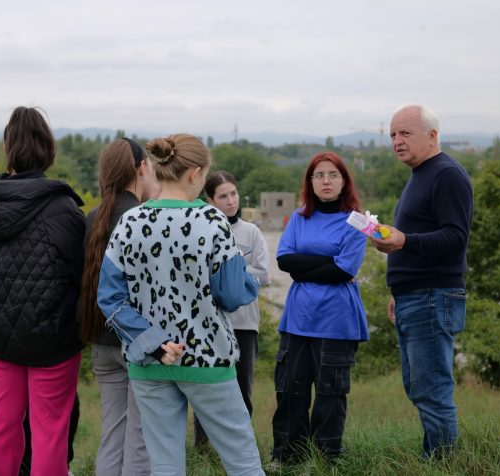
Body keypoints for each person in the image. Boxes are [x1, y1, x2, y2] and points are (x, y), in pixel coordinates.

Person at [98, 133, 265, 475]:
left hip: (150, 362)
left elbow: (111, 299)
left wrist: (152, 342)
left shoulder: (130, 222)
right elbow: (234, 295)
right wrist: (246, 278)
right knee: (242, 461)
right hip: (208, 358)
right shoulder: (213, 221)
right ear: (195, 174)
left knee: (165, 465)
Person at [0, 106, 85, 476]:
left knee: (1, 422)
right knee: (50, 429)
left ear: (7, 148)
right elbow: (82, 274)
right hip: (52, 337)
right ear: (48, 148)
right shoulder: (62, 209)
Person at [370, 104, 472, 459]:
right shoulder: (421, 174)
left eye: (405, 133)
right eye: (393, 134)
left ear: (432, 136)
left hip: (433, 296)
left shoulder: (446, 174)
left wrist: (404, 242)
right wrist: (399, 289)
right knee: (419, 387)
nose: (396, 141)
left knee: (432, 389)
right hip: (415, 295)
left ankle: (443, 464)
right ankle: (435, 457)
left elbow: (456, 238)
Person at [271, 152, 368, 465]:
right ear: (310, 182)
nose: (326, 181)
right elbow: (285, 260)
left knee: (330, 396)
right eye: (319, 175)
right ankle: (288, 458)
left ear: (344, 181)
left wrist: (307, 266)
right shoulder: (300, 217)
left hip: (337, 321)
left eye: (333, 175)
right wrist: (329, 262)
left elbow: (344, 270)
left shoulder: (357, 222)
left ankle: (326, 461)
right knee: (290, 394)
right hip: (298, 319)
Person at [79, 138, 159, 475]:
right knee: (140, 437)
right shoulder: (142, 218)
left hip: (101, 339)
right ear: (141, 168)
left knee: (113, 433)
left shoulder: (94, 216)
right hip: (136, 340)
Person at [195, 170, 270, 446]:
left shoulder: (251, 232)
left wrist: (231, 268)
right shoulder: (202, 230)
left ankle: (240, 447)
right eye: (223, 196)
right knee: (206, 388)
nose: (230, 201)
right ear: (210, 200)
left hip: (244, 324)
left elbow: (264, 274)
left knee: (241, 389)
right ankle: (203, 450)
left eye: (233, 193)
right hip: (209, 323)